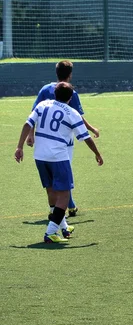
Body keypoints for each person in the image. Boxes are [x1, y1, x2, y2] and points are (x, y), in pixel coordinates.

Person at [15, 82, 104, 244]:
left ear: (54, 94)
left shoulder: (42, 105)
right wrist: (97, 154)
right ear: (70, 98)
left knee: (51, 191)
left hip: (40, 156)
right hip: (58, 157)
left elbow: (27, 124)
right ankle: (50, 232)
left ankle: (63, 226)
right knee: (64, 194)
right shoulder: (72, 113)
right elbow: (86, 138)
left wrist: (19, 147)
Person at [27, 60, 100, 218]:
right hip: (63, 142)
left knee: (53, 178)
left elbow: (33, 113)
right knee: (62, 175)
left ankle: (58, 210)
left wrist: (30, 134)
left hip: (44, 141)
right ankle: (68, 207)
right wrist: (91, 128)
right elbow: (76, 116)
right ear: (70, 74)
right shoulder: (70, 92)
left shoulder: (45, 89)